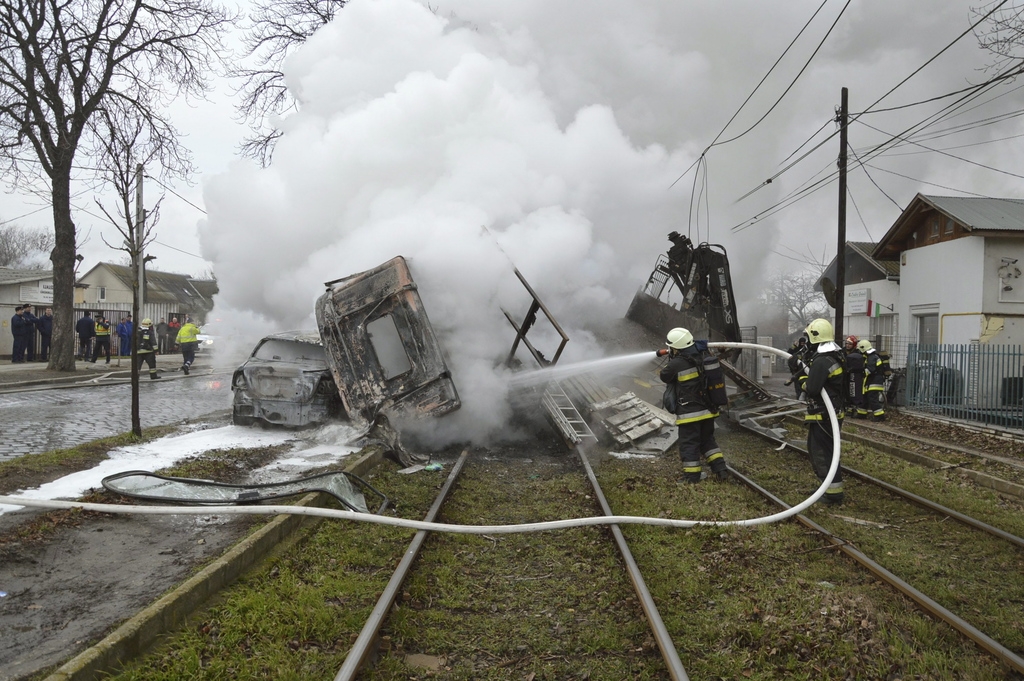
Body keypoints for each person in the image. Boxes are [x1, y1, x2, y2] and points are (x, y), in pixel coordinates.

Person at [659, 326, 730, 484]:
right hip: (708, 410)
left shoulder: (677, 363)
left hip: (689, 413)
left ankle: (691, 477)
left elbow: (664, 376)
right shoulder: (704, 354)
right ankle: (721, 469)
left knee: (689, 444)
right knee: (708, 441)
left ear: (676, 347)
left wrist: (672, 358)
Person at [801, 318, 846, 505]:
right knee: (827, 450)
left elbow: (811, 388)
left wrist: (801, 380)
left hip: (823, 414)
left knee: (822, 452)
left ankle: (833, 493)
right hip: (832, 413)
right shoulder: (835, 355)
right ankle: (826, 486)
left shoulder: (821, 361)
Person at [858, 339, 887, 422]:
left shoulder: (871, 357)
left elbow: (869, 370)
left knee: (872, 399)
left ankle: (880, 416)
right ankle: (861, 414)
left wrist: (860, 373)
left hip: (874, 382)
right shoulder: (871, 356)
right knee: (865, 398)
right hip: (871, 381)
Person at [843, 335, 865, 418]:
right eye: (846, 343)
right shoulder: (843, 351)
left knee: (853, 391)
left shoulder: (857, 353)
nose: (847, 345)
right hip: (845, 375)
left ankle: (853, 408)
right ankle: (847, 408)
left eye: (850, 344)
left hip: (854, 375)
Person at [785, 335, 809, 399]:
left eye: (804, 343)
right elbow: (789, 353)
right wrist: (794, 346)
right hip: (796, 371)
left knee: (803, 384)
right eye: (801, 343)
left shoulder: (806, 350)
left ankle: (803, 396)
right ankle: (798, 396)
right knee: (797, 385)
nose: (802, 345)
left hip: (804, 371)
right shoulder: (796, 350)